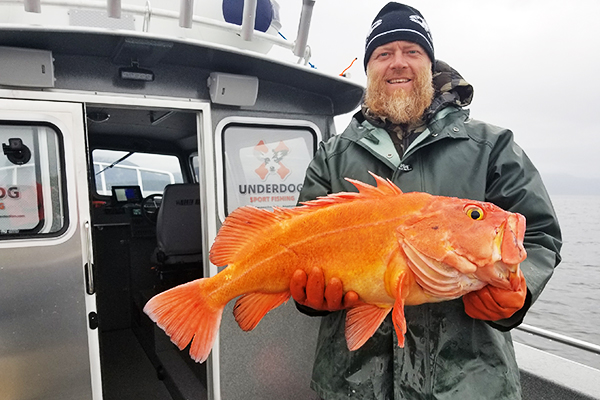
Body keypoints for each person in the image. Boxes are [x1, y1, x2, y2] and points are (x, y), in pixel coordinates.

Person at [289, 2, 562, 399]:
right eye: (383, 53)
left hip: (469, 385)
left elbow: (538, 235)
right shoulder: (331, 155)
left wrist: (520, 290)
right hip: (353, 385)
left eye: (412, 51)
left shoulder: (492, 146)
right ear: (369, 70)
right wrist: (311, 298)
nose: (398, 63)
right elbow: (299, 242)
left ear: (430, 66)